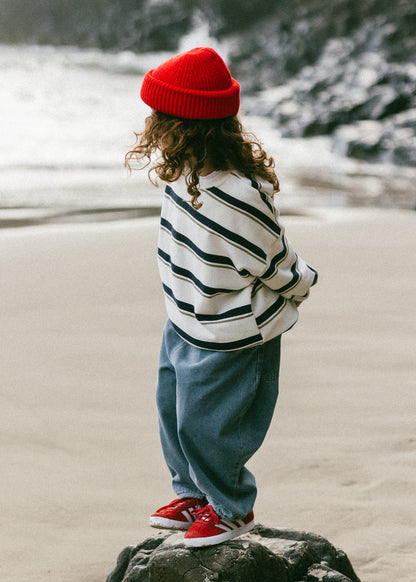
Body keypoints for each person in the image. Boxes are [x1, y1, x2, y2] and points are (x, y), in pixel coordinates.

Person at [125, 47, 318, 548]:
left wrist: (302, 284)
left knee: (209, 425)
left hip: (232, 331)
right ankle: (193, 492)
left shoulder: (238, 193)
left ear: (188, 127)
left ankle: (232, 507)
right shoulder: (184, 175)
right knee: (173, 411)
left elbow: (273, 259)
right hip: (186, 318)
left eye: (160, 119)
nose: (151, 128)